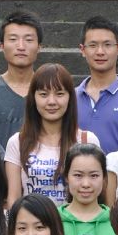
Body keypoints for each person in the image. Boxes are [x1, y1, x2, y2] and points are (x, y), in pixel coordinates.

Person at [7, 64, 96, 202]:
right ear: (33, 98)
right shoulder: (17, 142)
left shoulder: (87, 140)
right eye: (43, 94)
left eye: (60, 94)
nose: (52, 102)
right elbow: (13, 199)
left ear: (70, 97)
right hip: (32, 216)